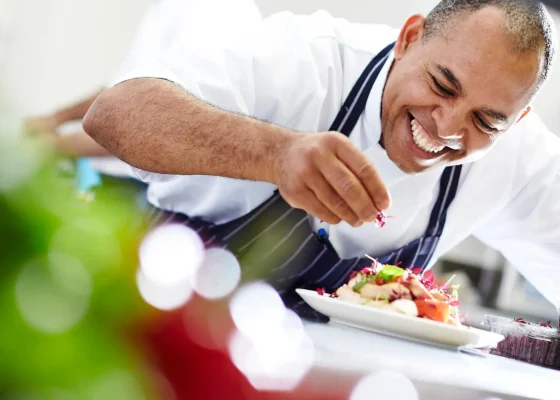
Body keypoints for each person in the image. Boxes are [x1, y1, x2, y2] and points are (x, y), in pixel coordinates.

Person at [83, 0, 560, 320]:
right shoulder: (306, 59)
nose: (447, 127)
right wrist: (274, 153)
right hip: (156, 328)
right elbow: (116, 112)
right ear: (409, 38)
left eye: (487, 122)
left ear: (517, 121)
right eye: (441, 85)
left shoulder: (520, 159)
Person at [23, 0, 262, 177]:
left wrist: (56, 146)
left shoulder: (212, 12)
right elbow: (121, 89)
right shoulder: (169, 7)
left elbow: (162, 125)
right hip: (117, 174)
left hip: (151, 191)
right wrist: (55, 119)